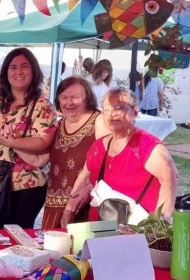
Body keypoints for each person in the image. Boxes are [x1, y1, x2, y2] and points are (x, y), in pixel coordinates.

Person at [61, 86, 178, 228]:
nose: (112, 114)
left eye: (119, 108)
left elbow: (169, 178)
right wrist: (68, 209)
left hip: (138, 232)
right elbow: (85, 176)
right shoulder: (99, 146)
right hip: (100, 229)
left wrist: (160, 224)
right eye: (107, 110)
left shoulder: (146, 144)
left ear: (135, 112)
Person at [17, 76, 110, 229]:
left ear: (87, 98)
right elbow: (39, 160)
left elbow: (108, 162)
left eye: (75, 97)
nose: (69, 103)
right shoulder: (58, 125)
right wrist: (12, 142)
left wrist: (88, 189)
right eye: (64, 97)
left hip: (84, 205)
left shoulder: (98, 120)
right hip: (54, 208)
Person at [0, 47, 57, 230]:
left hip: (26, 185)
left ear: (34, 71)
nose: (18, 72)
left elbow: (43, 142)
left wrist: (12, 142)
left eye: (24, 66)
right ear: (6, 72)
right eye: (13, 67)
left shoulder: (42, 105)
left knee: (18, 242)